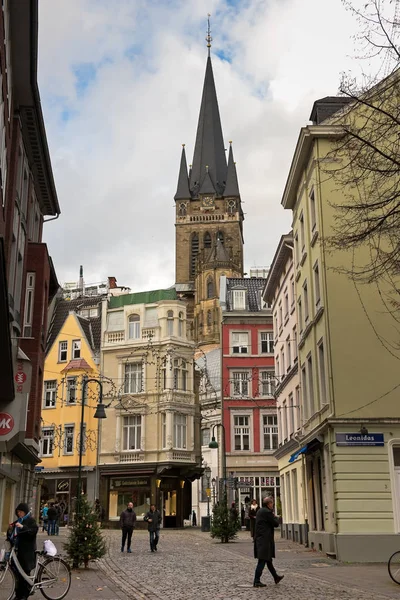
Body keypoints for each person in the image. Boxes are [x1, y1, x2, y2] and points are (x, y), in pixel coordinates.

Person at [8, 502, 38, 600]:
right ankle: (18, 595)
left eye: (21, 512)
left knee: (25, 574)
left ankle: (24, 595)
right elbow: (11, 536)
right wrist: (10, 530)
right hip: (17, 552)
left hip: (27, 552)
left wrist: (23, 527)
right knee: (17, 575)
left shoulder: (31, 521)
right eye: (18, 512)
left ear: (25, 512)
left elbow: (33, 531)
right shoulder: (17, 521)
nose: (19, 514)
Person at [253, 496, 283, 587]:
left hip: (260, 538)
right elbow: (276, 524)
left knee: (268, 560)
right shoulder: (267, 512)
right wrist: (275, 516)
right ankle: (256, 580)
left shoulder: (260, 511)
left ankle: (276, 577)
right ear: (268, 504)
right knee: (262, 560)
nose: (273, 504)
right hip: (264, 540)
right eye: (272, 503)